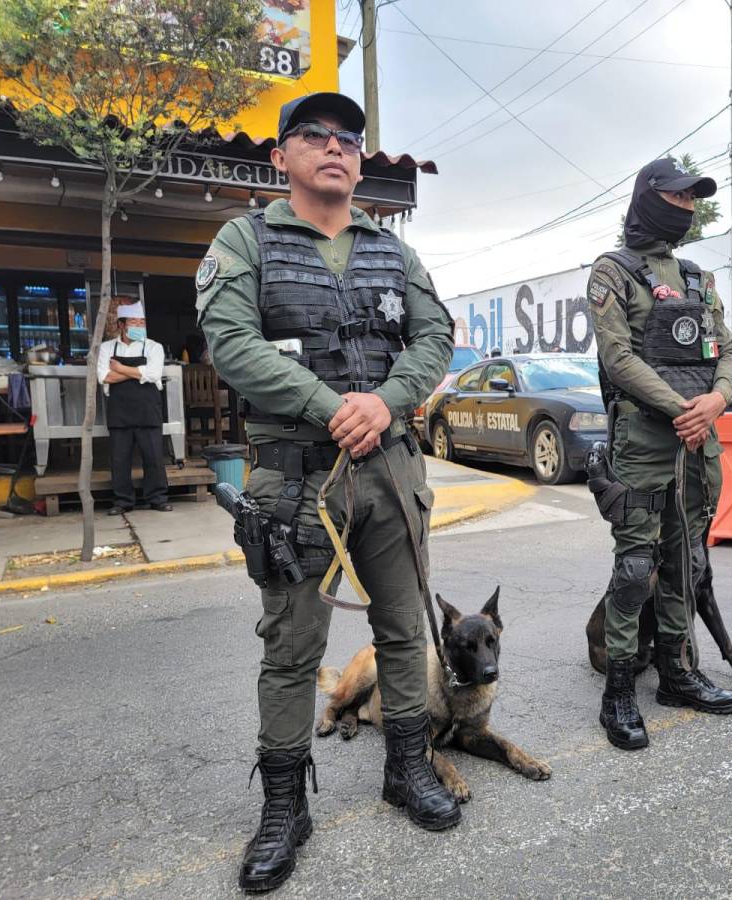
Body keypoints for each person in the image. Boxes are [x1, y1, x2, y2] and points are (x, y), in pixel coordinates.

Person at [196, 91, 457, 892]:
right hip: (295, 479)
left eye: (349, 138)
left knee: (404, 630)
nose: (336, 148)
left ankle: (406, 768)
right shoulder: (246, 240)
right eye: (314, 136)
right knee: (291, 648)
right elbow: (230, 342)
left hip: (392, 467)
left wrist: (386, 401)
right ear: (281, 157)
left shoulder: (392, 249)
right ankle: (284, 806)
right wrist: (332, 405)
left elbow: (436, 335)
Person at [586, 157, 732, 752]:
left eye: (692, 201)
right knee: (633, 570)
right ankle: (620, 691)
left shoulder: (699, 276)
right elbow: (617, 358)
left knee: (686, 563)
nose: (686, 208)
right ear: (647, 198)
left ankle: (677, 674)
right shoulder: (613, 272)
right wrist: (686, 408)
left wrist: (718, 400)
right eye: (676, 197)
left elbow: (727, 349)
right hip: (646, 445)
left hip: (701, 443)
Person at [96, 302, 171, 514]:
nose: (139, 326)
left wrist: (120, 368)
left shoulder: (154, 347)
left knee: (154, 456)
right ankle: (122, 501)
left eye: (142, 322)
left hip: (148, 410)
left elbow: (154, 374)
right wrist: (138, 372)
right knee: (120, 458)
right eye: (133, 322)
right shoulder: (107, 348)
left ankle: (157, 498)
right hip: (119, 412)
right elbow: (105, 376)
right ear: (121, 325)